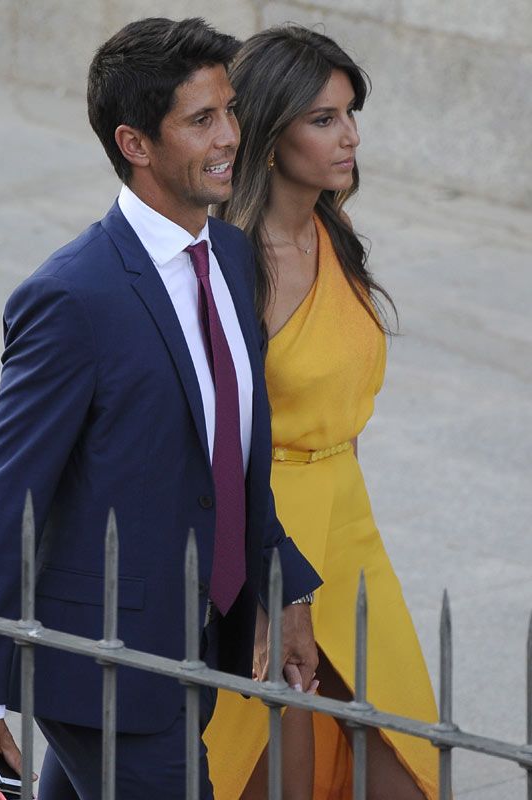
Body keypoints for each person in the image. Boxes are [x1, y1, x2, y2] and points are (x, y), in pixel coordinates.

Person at [0, 18, 322, 800]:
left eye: (230, 111)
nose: (231, 137)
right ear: (136, 143)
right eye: (201, 120)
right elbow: (5, 497)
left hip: (191, 639)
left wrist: (281, 588)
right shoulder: (72, 297)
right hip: (104, 664)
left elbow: (230, 453)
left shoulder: (228, 254)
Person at [204, 25, 439, 800]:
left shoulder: (335, 236)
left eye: (349, 114)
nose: (351, 136)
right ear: (270, 137)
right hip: (267, 524)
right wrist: (257, 587)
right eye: (324, 118)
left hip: (349, 517)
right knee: (279, 767)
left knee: (406, 752)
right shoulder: (231, 262)